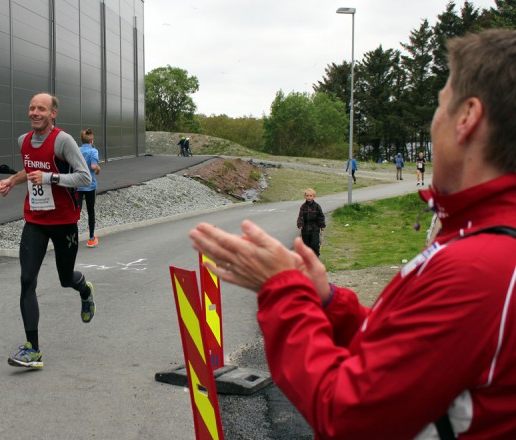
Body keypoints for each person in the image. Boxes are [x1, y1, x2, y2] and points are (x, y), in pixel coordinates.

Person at [189, 30, 516, 439]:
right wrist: (328, 304)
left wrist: (283, 291)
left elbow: (349, 416)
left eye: (440, 106)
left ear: (467, 118)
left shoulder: (478, 268)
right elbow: (405, 358)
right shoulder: (482, 242)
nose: (436, 123)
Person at [0, 93, 96, 369]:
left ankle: (84, 288)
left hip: (64, 222)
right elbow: (30, 170)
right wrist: (12, 181)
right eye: (31, 108)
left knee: (65, 279)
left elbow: (84, 177)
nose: (35, 112)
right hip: (36, 221)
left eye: (42, 108)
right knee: (27, 281)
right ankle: (33, 349)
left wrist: (51, 178)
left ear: (53, 114)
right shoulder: (23, 141)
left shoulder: (63, 141)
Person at [77, 128, 101, 248]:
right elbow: (93, 166)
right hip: (90, 185)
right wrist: (98, 169)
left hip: (77, 184)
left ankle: (72, 237)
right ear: (91, 140)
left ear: (82, 140)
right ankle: (91, 238)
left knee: (76, 211)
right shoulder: (93, 151)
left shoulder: (77, 150)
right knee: (91, 211)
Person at [296, 188, 326, 257]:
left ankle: (316, 256)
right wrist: (300, 224)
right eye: (307, 196)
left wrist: (322, 226)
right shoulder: (303, 206)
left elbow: (321, 216)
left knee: (314, 244)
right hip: (305, 229)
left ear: (314, 197)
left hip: (315, 228)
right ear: (305, 196)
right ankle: (307, 258)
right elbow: (300, 216)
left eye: (310, 196)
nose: (309, 197)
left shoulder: (317, 206)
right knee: (306, 245)